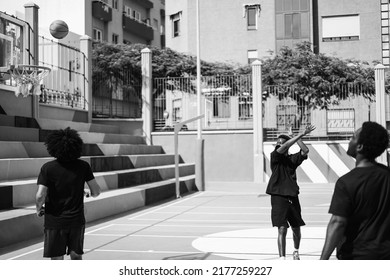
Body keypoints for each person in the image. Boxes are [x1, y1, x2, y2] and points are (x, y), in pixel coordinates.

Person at [320, 121, 390, 260]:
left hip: (356, 256)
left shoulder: (346, 182)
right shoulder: (387, 175)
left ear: (359, 147)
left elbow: (338, 223)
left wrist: (323, 260)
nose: (349, 140)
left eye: (352, 137)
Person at [35, 127, 101, 260]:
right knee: (76, 256)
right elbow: (96, 191)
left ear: (53, 147)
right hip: (76, 220)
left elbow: (40, 195)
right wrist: (88, 194)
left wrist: (38, 209)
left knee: (57, 258)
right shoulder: (83, 166)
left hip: (54, 221)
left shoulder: (47, 168)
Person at [266, 124, 316, 260]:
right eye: (277, 143)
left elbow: (305, 150)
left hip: (292, 196)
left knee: (296, 228)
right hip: (278, 196)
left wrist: (296, 136)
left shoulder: (292, 160)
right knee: (282, 228)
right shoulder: (275, 157)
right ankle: (282, 258)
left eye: (281, 143)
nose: (279, 145)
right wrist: (300, 134)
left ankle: (296, 251)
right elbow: (285, 146)